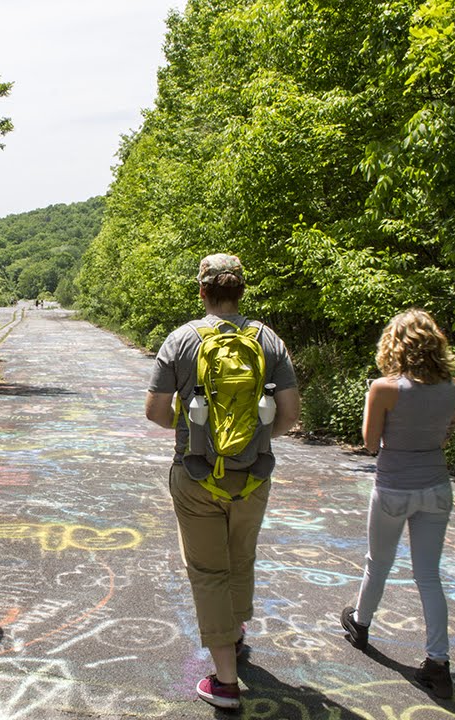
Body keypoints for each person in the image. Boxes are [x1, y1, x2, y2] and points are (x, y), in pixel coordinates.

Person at [145, 253, 300, 709]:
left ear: (203, 292)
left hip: (195, 474)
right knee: (241, 557)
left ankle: (226, 682)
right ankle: (234, 633)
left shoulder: (181, 339)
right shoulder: (269, 340)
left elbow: (155, 411)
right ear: (241, 291)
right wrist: (251, 440)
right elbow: (289, 416)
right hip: (254, 475)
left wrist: (199, 433)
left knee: (208, 572)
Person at [340, 308, 455, 700]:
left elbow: (371, 443)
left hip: (394, 487)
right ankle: (438, 663)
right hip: (437, 487)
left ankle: (360, 623)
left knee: (379, 562)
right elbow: (443, 438)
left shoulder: (384, 388)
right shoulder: (454, 388)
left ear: (395, 346)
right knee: (428, 575)